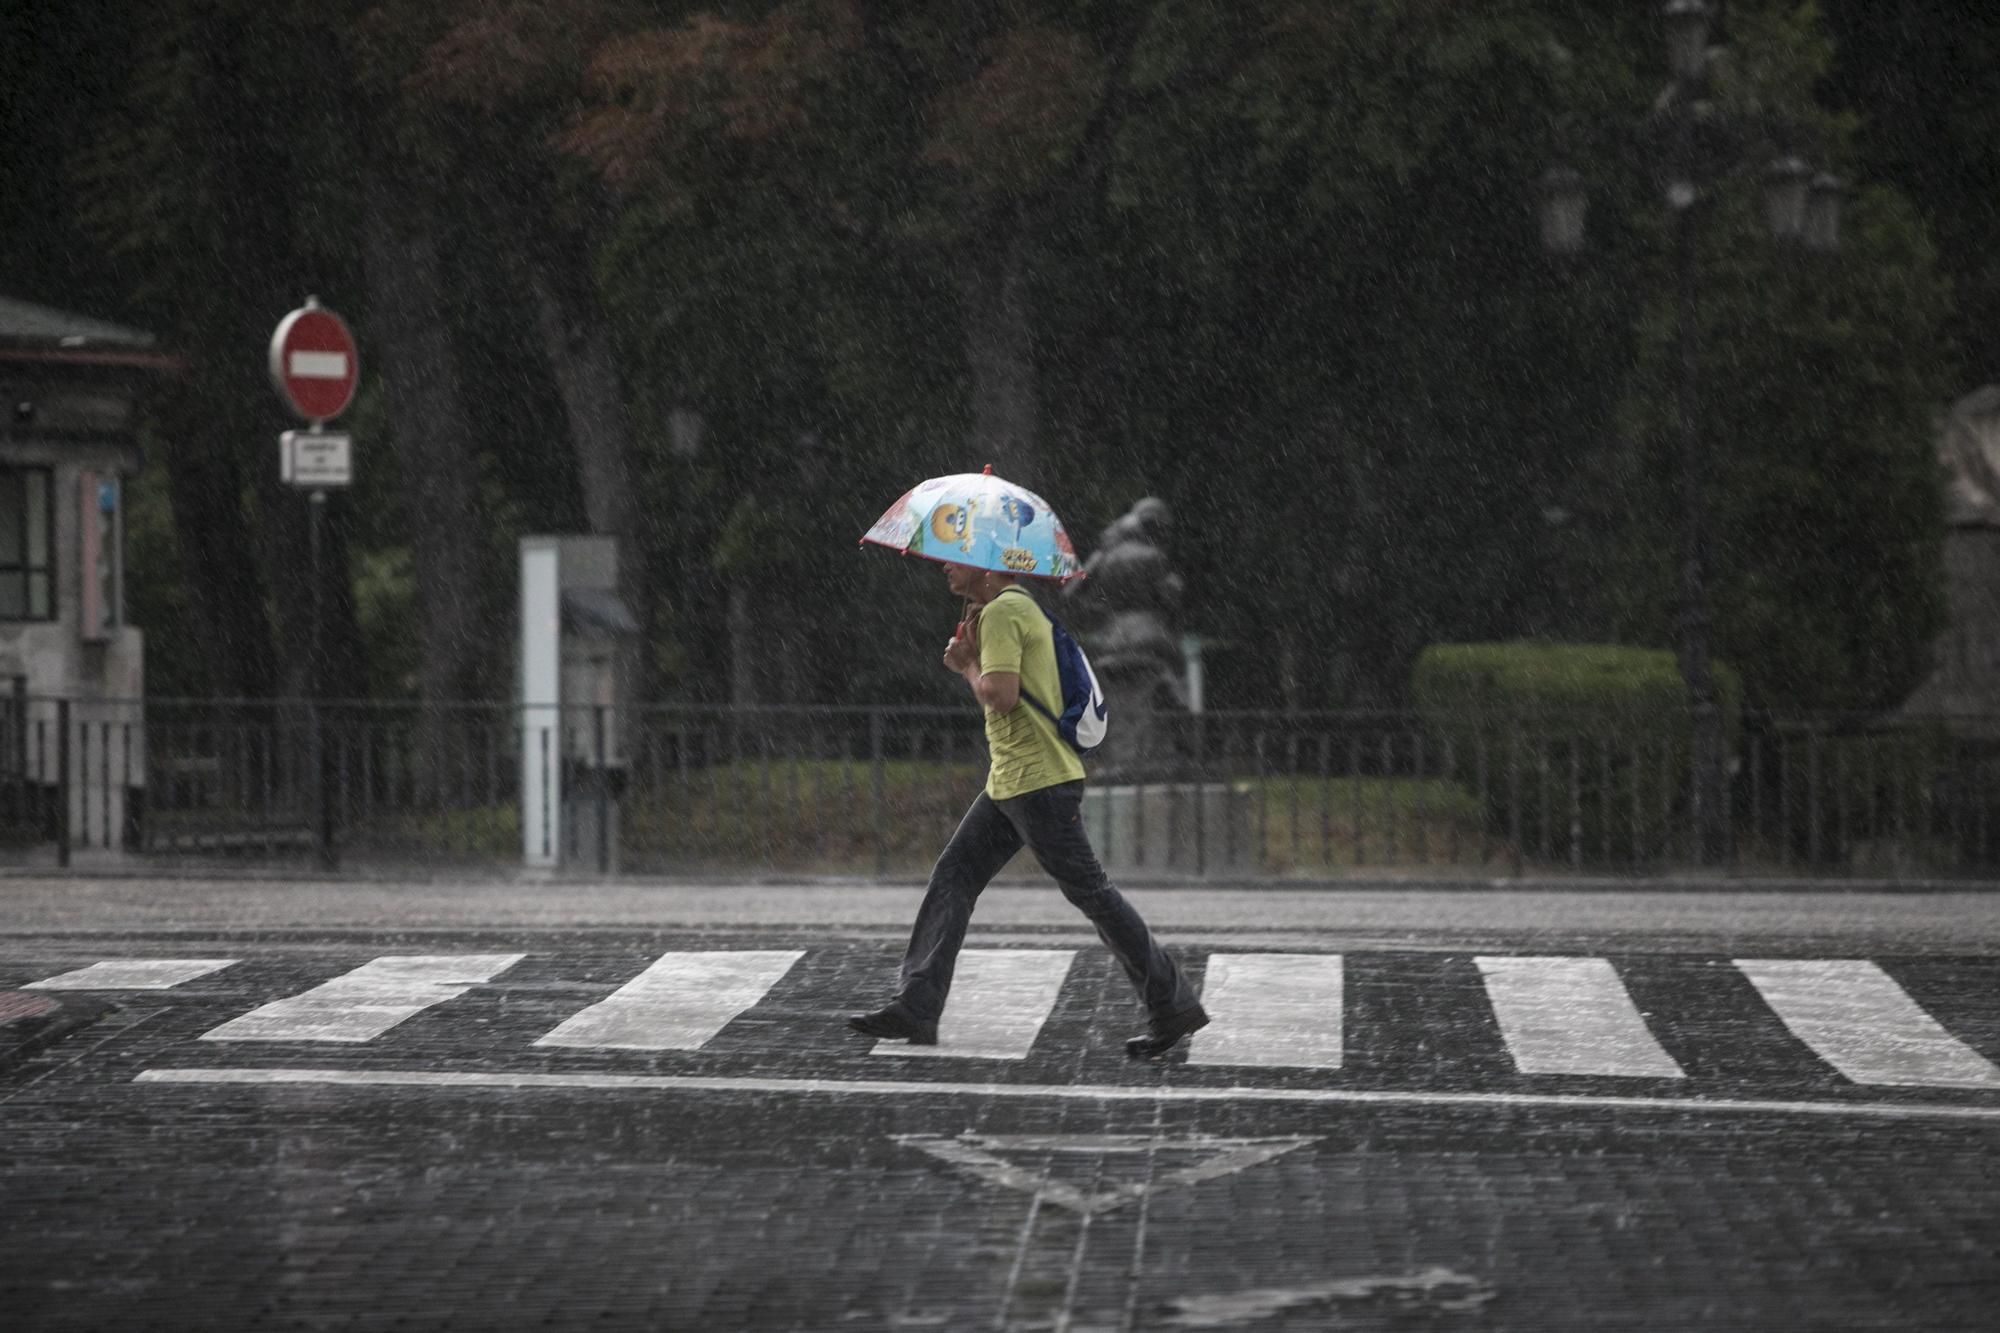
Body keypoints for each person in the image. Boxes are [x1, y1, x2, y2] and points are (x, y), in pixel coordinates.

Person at [848, 558, 1209, 1059]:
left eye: (956, 561)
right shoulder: (1017, 609)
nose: (946, 569)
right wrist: (974, 653)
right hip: (1013, 781)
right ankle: (917, 1004)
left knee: (1092, 894)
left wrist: (966, 664)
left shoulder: (1003, 612)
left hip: (1037, 783)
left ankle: (1172, 1003)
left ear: (985, 567)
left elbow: (1000, 694)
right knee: (955, 875)